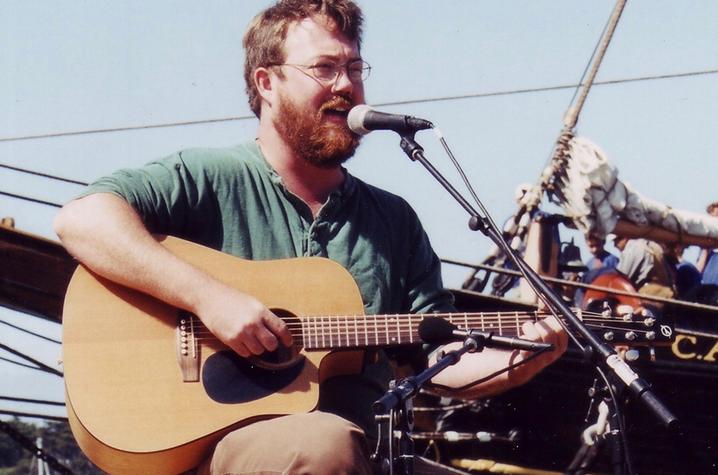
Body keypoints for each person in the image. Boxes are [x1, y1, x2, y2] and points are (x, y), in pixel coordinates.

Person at [53, 1, 567, 473]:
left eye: (355, 68)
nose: (346, 85)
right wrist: (211, 299)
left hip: (365, 452)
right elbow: (83, 220)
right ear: (267, 83)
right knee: (321, 446)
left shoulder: (392, 219)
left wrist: (524, 356)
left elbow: (437, 355)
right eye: (324, 68)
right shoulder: (209, 177)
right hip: (225, 444)